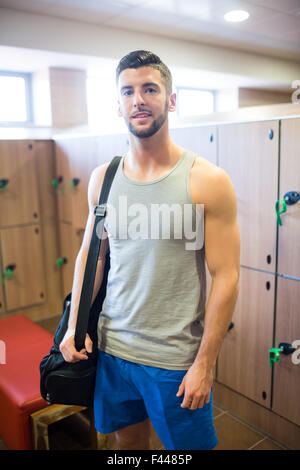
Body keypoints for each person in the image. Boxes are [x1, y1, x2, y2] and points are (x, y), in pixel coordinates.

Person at [60, 50, 240, 450]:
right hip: (112, 350)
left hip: (174, 361)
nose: (138, 99)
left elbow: (226, 274)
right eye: (128, 91)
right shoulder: (103, 179)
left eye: (150, 89)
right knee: (129, 447)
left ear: (171, 100)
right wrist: (75, 326)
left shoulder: (206, 180)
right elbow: (94, 258)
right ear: (119, 103)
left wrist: (205, 363)